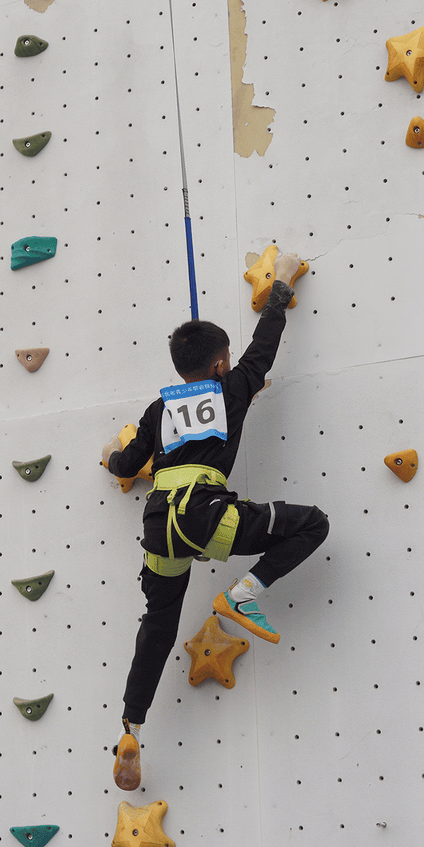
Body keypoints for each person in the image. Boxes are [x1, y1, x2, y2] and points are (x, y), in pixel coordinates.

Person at [101, 264, 329, 791]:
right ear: (222, 363)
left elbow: (128, 459)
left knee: (158, 624)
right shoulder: (233, 388)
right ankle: (242, 594)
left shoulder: (160, 410)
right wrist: (280, 291)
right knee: (311, 525)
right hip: (208, 516)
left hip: (160, 526)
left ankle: (132, 726)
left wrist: (111, 460)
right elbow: (265, 346)